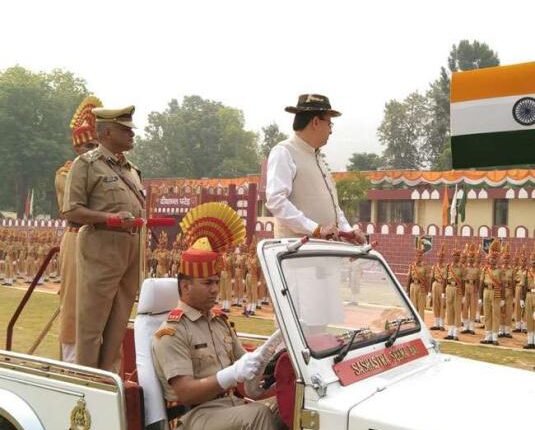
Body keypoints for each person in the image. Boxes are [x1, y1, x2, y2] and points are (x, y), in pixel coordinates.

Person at [152, 202, 281, 430]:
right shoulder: (172, 332)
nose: (215, 289)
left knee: (291, 405)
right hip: (193, 415)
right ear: (185, 286)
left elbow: (245, 364)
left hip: (229, 406)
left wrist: (271, 358)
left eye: (216, 282)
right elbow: (185, 392)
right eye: (207, 283)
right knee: (259, 415)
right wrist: (231, 375)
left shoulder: (220, 323)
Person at [63, 105, 145, 371]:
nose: (132, 134)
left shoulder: (132, 170)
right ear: (107, 132)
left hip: (131, 247)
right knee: (92, 324)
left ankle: (109, 377)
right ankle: (87, 380)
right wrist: (108, 218)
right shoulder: (86, 165)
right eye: (125, 130)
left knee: (119, 321)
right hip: (101, 246)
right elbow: (71, 211)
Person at [266, 94, 365, 244]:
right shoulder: (284, 152)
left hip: (323, 250)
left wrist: (349, 231)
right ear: (316, 122)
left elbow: (334, 208)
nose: (331, 131)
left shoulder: (317, 158)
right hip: (298, 251)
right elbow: (276, 201)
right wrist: (314, 229)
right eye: (329, 124)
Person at [55, 95, 102, 363]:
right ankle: (72, 361)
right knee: (73, 301)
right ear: (77, 148)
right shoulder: (66, 173)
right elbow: (80, 204)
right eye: (87, 146)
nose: (91, 151)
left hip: (104, 241)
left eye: (95, 146)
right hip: (77, 238)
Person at [479, 240, 504, 346]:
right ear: (488, 259)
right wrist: (480, 297)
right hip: (486, 292)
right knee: (487, 314)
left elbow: (502, 285)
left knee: (496, 315)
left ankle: (494, 337)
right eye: (491, 258)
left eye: (494, 259)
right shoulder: (485, 270)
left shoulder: (500, 271)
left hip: (495, 292)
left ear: (497, 260)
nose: (492, 260)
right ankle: (487, 336)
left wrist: (502, 298)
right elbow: (481, 284)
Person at [461, 243, 480, 335]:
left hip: (473, 287)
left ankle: (472, 327)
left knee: (473, 307)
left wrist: (477, 290)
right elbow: (462, 280)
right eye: (469, 257)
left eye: (472, 257)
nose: (471, 259)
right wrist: (462, 293)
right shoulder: (464, 268)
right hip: (466, 287)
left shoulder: (477, 269)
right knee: (465, 306)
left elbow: (478, 280)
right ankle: (465, 326)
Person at [430, 244, 447, 331]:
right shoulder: (434, 267)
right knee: (435, 304)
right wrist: (429, 291)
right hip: (435, 285)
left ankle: (442, 324)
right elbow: (432, 278)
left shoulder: (446, 267)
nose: (440, 258)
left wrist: (444, 291)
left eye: (442, 257)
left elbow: (446, 279)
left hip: (442, 286)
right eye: (439, 257)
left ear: (443, 258)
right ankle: (436, 323)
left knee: (442, 304)